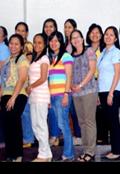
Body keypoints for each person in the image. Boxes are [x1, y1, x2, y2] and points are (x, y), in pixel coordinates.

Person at [0, 34, 29, 162]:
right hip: (6, 95)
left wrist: (13, 98)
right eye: (11, 43)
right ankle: (10, 155)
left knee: (14, 123)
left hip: (18, 95)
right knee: (7, 125)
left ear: (21, 46)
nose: (13, 46)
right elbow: (4, 82)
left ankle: (18, 155)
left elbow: (21, 79)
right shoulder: (8, 60)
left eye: (16, 44)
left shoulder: (23, 60)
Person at [70, 29, 98, 162]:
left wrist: (80, 85)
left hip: (89, 91)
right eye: (72, 38)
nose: (75, 40)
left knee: (89, 121)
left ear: (82, 39)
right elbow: (69, 73)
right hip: (76, 93)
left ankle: (91, 151)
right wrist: (71, 85)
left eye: (77, 37)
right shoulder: (70, 55)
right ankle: (86, 149)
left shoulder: (89, 51)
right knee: (82, 122)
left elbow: (92, 70)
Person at [97, 26, 120, 160]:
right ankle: (115, 148)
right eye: (106, 34)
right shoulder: (103, 52)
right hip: (102, 91)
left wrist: (111, 93)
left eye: (111, 35)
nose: (108, 37)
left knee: (113, 121)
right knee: (109, 121)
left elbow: (117, 73)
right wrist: (99, 94)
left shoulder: (116, 52)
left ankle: (118, 150)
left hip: (112, 90)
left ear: (115, 38)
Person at [48, 31, 75, 162]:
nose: (53, 43)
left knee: (63, 124)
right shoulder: (52, 58)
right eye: (51, 41)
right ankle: (67, 154)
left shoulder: (66, 56)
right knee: (61, 124)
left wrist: (66, 94)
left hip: (62, 95)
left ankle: (68, 155)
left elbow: (69, 76)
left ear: (61, 42)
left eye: (56, 41)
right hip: (53, 96)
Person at [26, 33, 52, 162]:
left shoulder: (44, 59)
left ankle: (42, 155)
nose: (36, 45)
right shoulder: (35, 58)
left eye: (40, 42)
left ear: (45, 44)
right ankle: (47, 154)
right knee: (35, 125)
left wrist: (30, 86)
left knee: (41, 125)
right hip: (34, 96)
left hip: (41, 95)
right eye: (35, 42)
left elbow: (42, 78)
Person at [86, 23, 107, 145]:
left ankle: (102, 135)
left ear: (101, 35)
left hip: (101, 83)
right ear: (89, 35)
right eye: (92, 32)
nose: (95, 35)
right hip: (88, 84)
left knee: (101, 111)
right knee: (90, 112)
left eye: (97, 33)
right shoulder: (85, 50)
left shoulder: (105, 50)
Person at [41, 18, 61, 147]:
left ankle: (55, 135)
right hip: (42, 79)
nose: (48, 29)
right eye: (46, 27)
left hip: (54, 80)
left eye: (51, 26)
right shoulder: (42, 45)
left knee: (53, 108)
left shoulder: (57, 45)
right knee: (45, 109)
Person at [15, 22, 35, 148]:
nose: (21, 33)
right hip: (15, 82)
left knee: (26, 111)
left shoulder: (28, 46)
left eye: (23, 31)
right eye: (18, 30)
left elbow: (28, 63)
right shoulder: (13, 44)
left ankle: (28, 138)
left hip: (26, 81)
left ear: (27, 33)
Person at [63, 18, 82, 146]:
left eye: (70, 27)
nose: (67, 29)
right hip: (66, 83)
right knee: (71, 111)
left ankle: (79, 135)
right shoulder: (64, 45)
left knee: (76, 111)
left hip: (75, 83)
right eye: (65, 27)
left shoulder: (75, 46)